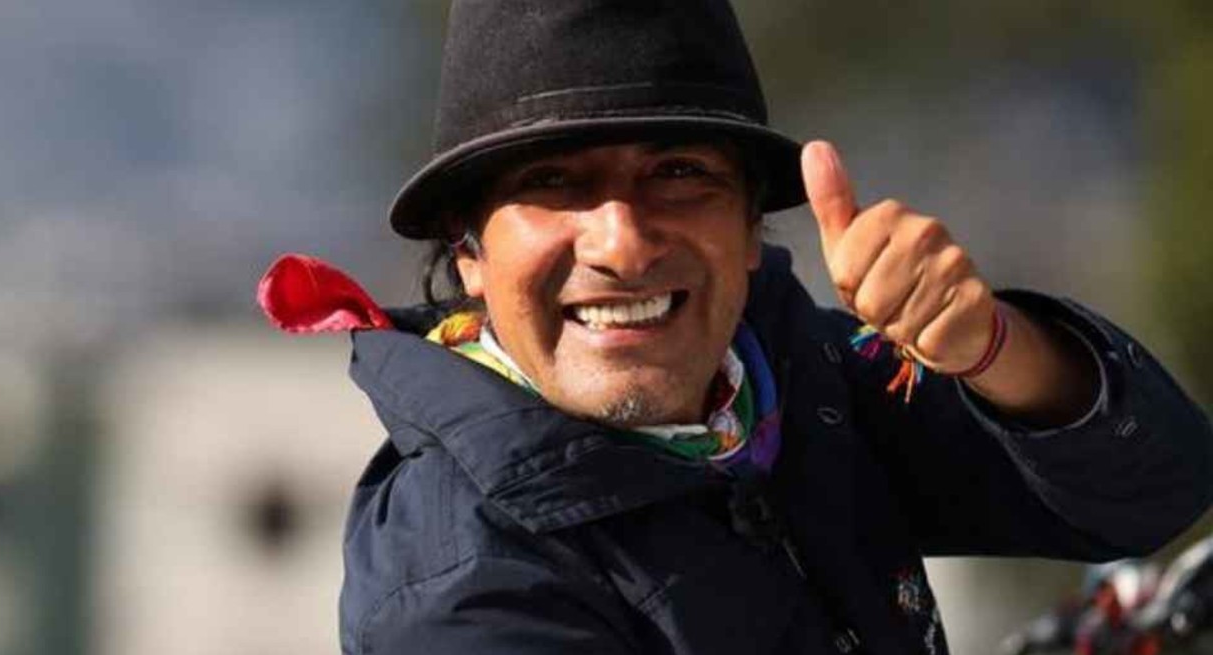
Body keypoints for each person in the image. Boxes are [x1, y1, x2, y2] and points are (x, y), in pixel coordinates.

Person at [257, 1, 1213, 653]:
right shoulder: (457, 592)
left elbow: (1158, 491)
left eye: (678, 173)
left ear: (752, 229)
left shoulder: (786, 371)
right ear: (468, 252)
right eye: (552, 182)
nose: (623, 243)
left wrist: (991, 346)